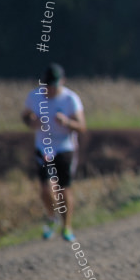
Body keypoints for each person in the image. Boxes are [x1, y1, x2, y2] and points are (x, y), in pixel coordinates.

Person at [22, 63, 86, 242]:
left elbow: (82, 126)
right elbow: (24, 115)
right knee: (45, 188)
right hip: (43, 147)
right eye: (47, 86)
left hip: (65, 147)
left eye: (53, 86)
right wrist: (31, 120)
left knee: (64, 189)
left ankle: (67, 227)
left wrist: (67, 122)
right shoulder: (34, 97)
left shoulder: (70, 99)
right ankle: (52, 218)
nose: (49, 90)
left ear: (61, 82)